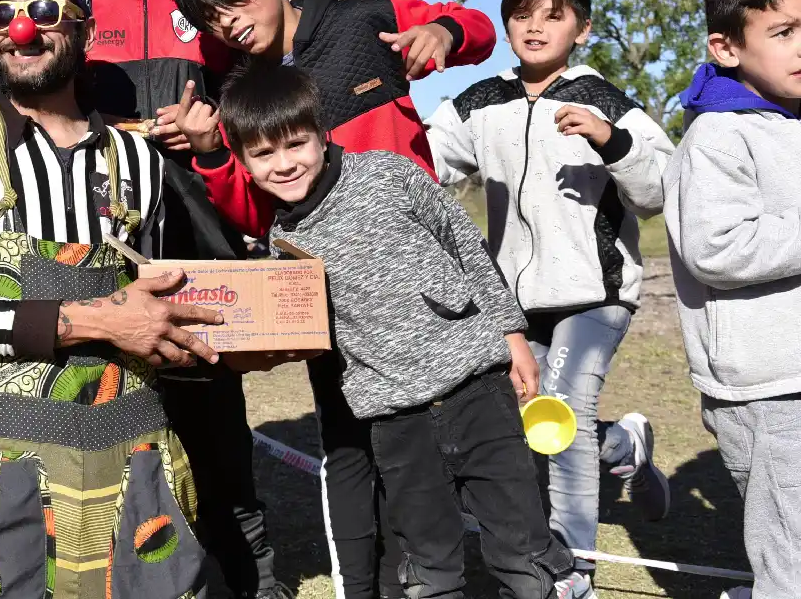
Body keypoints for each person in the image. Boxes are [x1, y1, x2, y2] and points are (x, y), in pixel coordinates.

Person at [170, 0, 497, 599]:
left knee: (459, 444)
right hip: (333, 307)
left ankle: (480, 568)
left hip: (428, 298)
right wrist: (212, 155)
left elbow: (479, 28)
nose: (229, 23)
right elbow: (255, 214)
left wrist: (445, 32)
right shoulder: (240, 91)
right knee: (350, 452)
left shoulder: (365, 20)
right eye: (210, 17)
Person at [0, 0, 225, 599]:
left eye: (44, 9)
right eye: (2, 14)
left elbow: (156, 305)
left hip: (134, 463)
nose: (21, 28)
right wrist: (97, 320)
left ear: (85, 27)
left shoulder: (136, 158)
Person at [199, 62, 575, 598]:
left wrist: (513, 334)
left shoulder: (389, 174)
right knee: (429, 563)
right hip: (395, 422)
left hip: (478, 391)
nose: (284, 164)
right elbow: (306, 338)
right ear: (242, 160)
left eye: (296, 144)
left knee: (522, 548)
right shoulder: (284, 244)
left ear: (321, 131)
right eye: (263, 154)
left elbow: (466, 246)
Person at [424, 0, 675, 599]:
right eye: (521, 15)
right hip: (513, 301)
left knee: (561, 406)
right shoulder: (479, 102)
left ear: (581, 30)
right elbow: (420, 162)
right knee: (525, 420)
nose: (535, 27)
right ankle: (622, 447)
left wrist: (610, 141)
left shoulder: (605, 100)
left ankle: (573, 570)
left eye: (552, 16)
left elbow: (658, 191)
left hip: (596, 293)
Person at [73, 0, 282, 599]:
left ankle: (254, 581)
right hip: (101, 243)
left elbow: (263, 100)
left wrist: (213, 130)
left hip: (202, 238)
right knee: (109, 427)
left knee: (217, 432)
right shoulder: (68, 4)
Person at [663, 0, 801, 599]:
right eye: (784, 32)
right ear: (726, 48)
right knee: (792, 556)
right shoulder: (719, 137)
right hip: (769, 388)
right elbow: (717, 248)